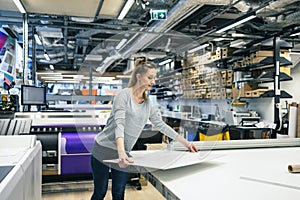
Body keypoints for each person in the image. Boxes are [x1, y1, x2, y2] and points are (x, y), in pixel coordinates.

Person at [90, 58, 198, 200]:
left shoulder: (148, 103)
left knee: (119, 193)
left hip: (124, 152)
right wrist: (121, 152)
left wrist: (186, 143)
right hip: (103, 149)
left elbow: (161, 125)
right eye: (150, 77)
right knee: (100, 192)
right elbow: (119, 125)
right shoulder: (123, 95)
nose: (153, 81)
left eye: (154, 78)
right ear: (138, 76)